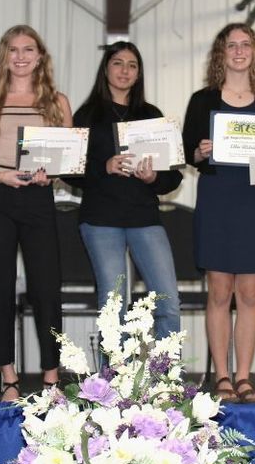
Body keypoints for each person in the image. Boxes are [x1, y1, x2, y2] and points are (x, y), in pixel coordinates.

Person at [182, 23, 255, 403]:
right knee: (219, 291)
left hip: (254, 202)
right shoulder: (202, 101)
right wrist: (200, 151)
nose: (239, 51)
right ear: (221, 53)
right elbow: (187, 154)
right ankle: (223, 378)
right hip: (217, 199)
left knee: (249, 292)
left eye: (246, 44)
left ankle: (244, 377)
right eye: (231, 45)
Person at [0, 25, 72, 401]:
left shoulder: (57, 102)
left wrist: (51, 174)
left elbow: (68, 158)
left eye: (29, 50)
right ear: (4, 56)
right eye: (14, 50)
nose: (21, 57)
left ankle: (51, 376)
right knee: (0, 287)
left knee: (46, 287)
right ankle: (7, 375)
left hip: (39, 197)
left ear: (40, 56)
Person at [64, 41, 183, 340]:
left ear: (139, 73)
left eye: (132, 65)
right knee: (113, 305)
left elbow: (173, 177)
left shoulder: (152, 114)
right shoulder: (87, 115)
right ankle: (113, 382)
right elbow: (69, 172)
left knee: (167, 301)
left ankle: (165, 380)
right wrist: (103, 167)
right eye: (118, 63)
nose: (124, 70)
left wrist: (153, 177)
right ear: (105, 69)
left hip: (145, 218)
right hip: (101, 220)